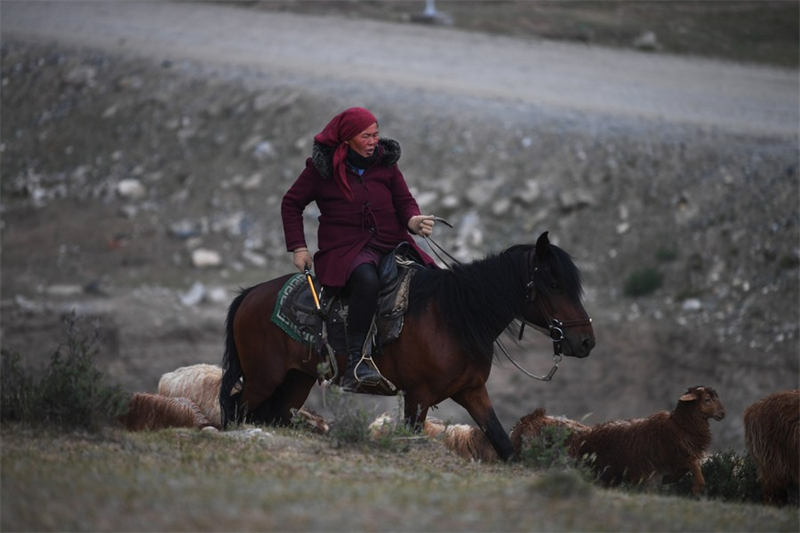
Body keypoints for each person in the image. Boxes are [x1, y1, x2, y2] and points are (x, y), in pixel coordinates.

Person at [281, 107, 436, 391]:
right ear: (347, 138)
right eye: (367, 136)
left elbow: (404, 201)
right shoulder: (321, 170)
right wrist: (298, 247)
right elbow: (291, 204)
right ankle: (356, 362)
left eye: (376, 134)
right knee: (367, 280)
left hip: (391, 242)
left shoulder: (385, 163)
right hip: (346, 249)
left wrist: (414, 220)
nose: (374, 141)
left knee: (429, 276)